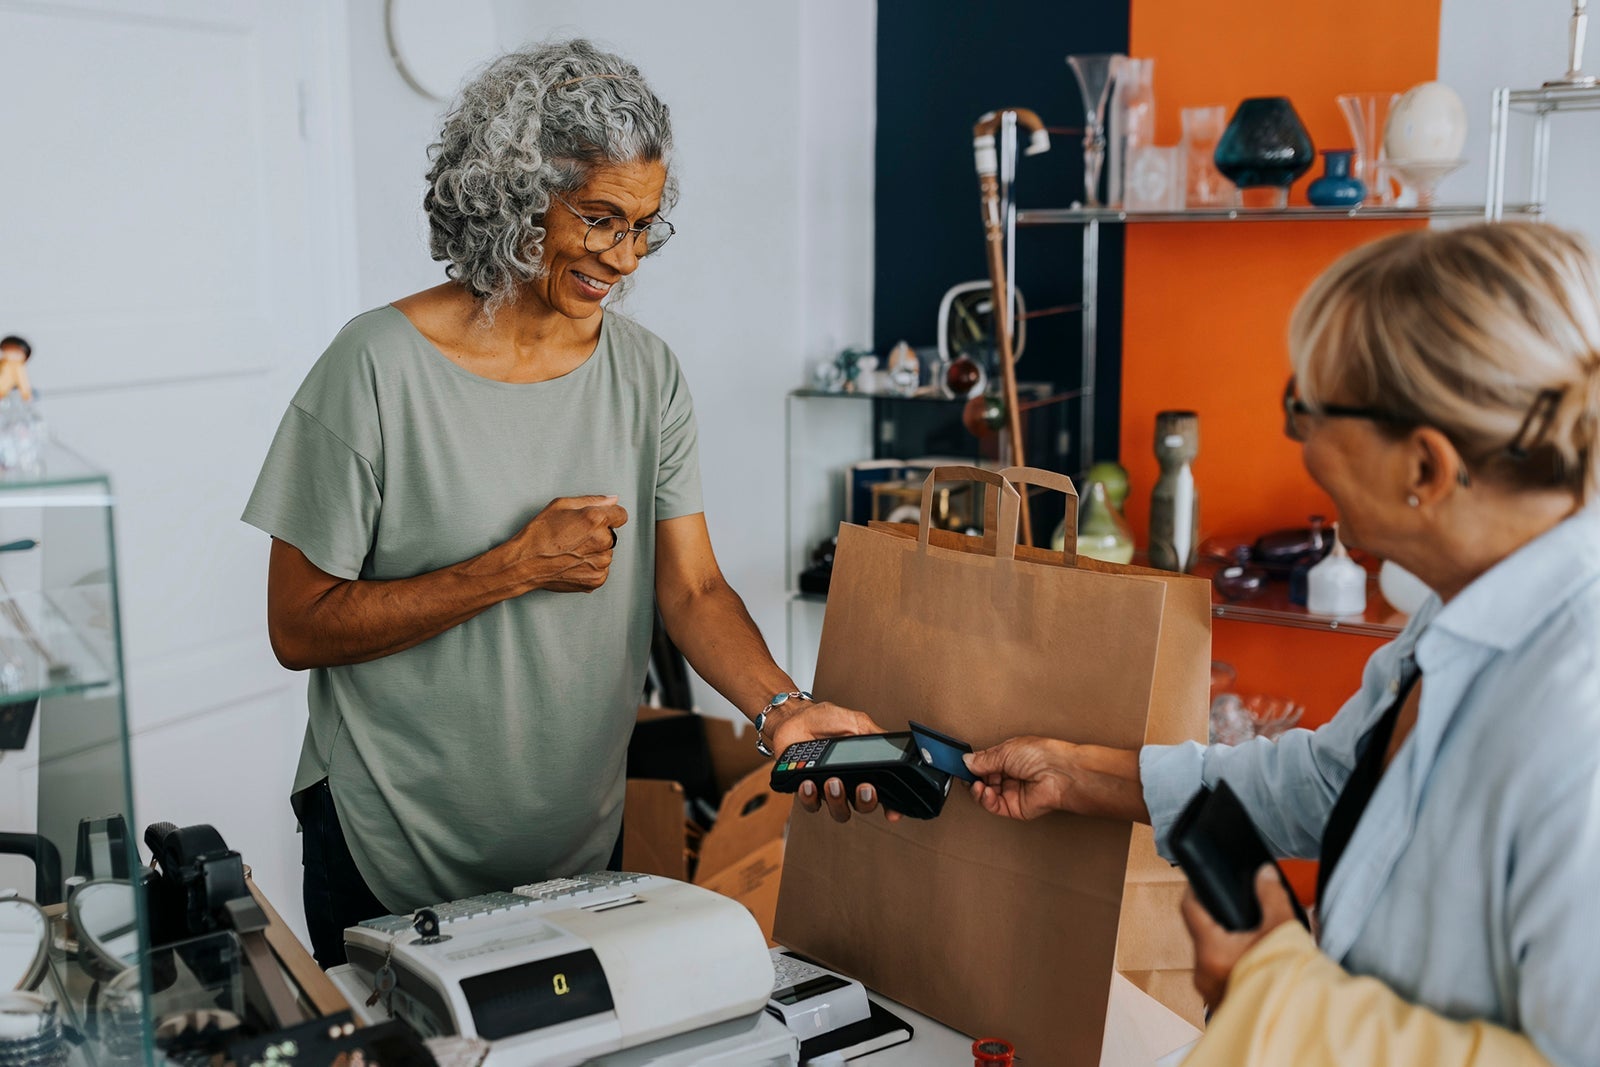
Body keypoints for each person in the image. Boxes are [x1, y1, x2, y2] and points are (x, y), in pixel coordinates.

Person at [242, 38, 884, 967]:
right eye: (599, 218)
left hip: (575, 846)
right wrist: (511, 568)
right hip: (386, 840)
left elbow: (693, 590)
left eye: (644, 226)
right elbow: (297, 625)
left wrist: (782, 706)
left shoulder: (647, 374)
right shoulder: (373, 368)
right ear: (514, 194)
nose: (623, 257)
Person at [963, 222, 1600, 1066]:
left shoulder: (1577, 709)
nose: (1299, 442)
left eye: (1309, 408)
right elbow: (1335, 785)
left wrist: (1271, 987)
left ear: (1426, 467)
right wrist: (1076, 772)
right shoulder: (1463, 608)